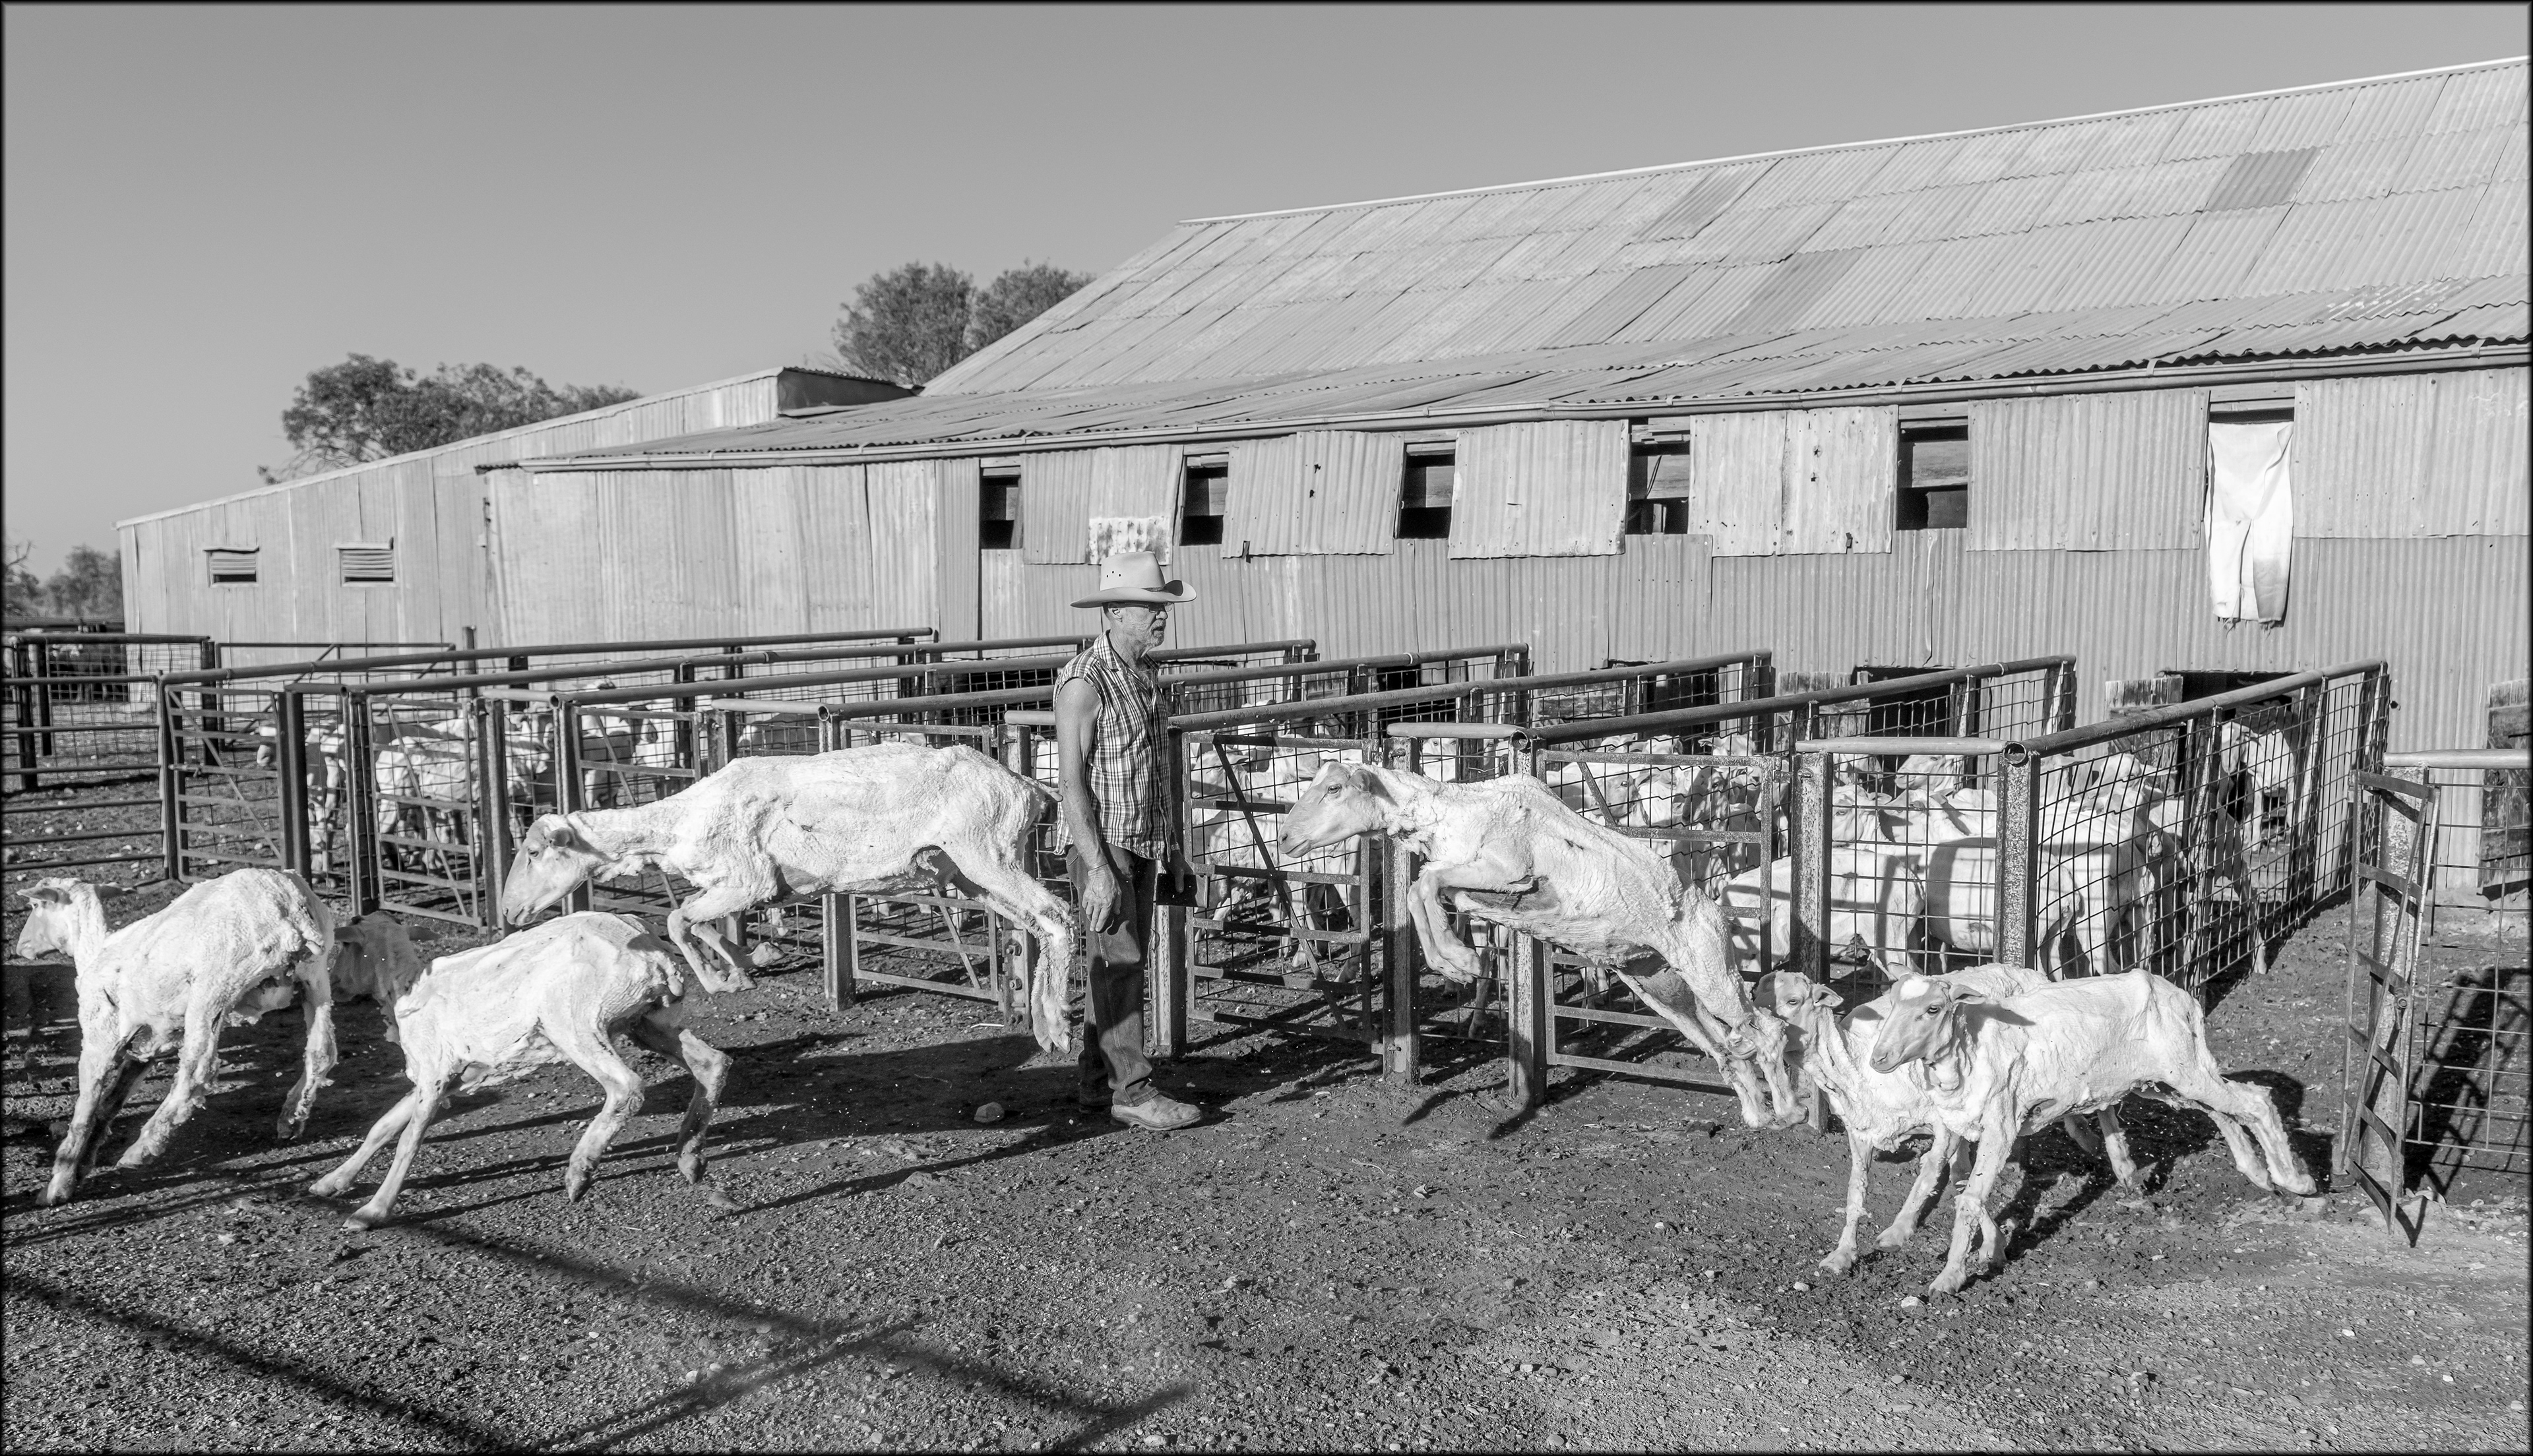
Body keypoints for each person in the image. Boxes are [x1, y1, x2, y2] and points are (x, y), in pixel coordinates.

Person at [1054, 551, 1203, 1132]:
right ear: (1114, 612)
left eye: (1162, 606)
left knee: (1111, 964)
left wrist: (1173, 850)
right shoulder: (1084, 684)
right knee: (1122, 962)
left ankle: (1098, 1085)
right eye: (1149, 607)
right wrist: (1094, 866)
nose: (1161, 616)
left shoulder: (1143, 674)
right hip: (1106, 843)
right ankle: (1134, 1091)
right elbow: (1070, 784)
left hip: (1140, 837)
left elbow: (1155, 770)